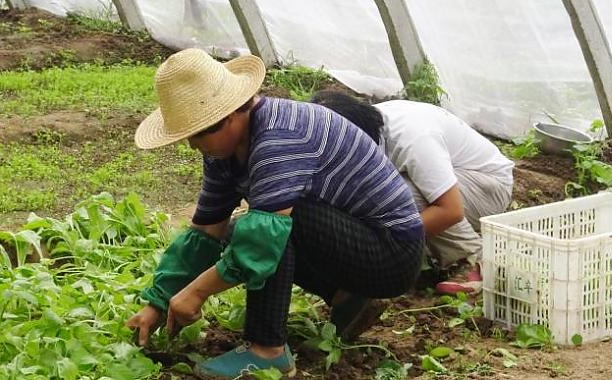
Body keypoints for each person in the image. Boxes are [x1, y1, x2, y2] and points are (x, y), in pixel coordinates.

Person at [125, 49, 424, 379]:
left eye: (197, 134)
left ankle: (267, 350)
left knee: (266, 229)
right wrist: (158, 301)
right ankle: (348, 297)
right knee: (240, 230)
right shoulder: (223, 153)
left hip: (392, 253)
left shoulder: (278, 138)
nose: (193, 146)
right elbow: (206, 231)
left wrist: (196, 293)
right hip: (353, 243)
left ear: (230, 115)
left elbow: (261, 242)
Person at [311, 91, 514, 294]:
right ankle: (424, 254)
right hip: (457, 184)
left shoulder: (411, 137)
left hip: (489, 187)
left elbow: (451, 210)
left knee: (398, 193)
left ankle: (471, 260)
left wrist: (388, 240)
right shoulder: (367, 128)